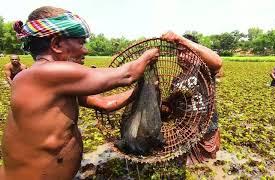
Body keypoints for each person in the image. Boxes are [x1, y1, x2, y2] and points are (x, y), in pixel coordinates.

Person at [0, 6, 159, 180]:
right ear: (57, 44)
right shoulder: (44, 74)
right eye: (81, 42)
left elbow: (104, 103)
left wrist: (140, 92)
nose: (86, 50)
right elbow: (128, 74)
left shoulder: (57, 83)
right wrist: (149, 55)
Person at [161, 31, 222, 165]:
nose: (181, 56)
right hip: (184, 134)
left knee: (206, 167)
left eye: (185, 52)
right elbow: (173, 110)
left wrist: (180, 39)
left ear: (195, 53)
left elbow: (217, 62)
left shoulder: (205, 72)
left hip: (206, 132)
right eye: (178, 52)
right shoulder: (176, 80)